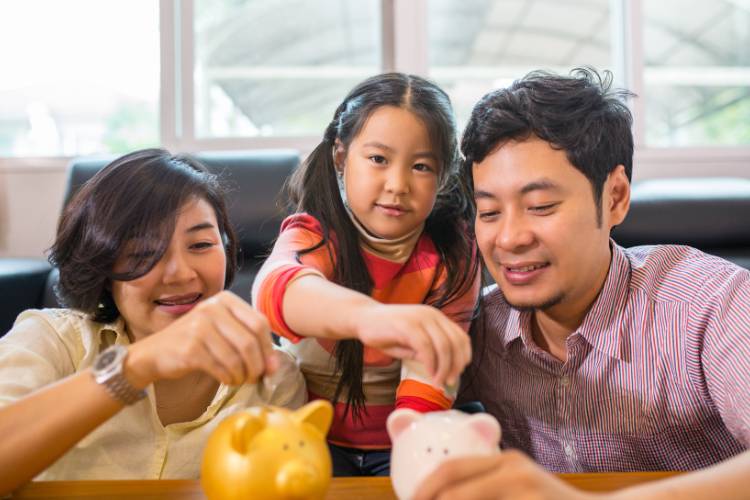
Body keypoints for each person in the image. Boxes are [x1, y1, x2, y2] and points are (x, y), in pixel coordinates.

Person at [414, 68, 750, 500]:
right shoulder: (479, 328)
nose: (510, 238)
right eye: (490, 212)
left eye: (540, 206)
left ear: (614, 198)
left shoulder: (711, 304)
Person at [0, 149, 306, 493]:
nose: (180, 273)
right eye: (144, 253)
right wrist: (135, 367)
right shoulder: (50, 341)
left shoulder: (272, 376)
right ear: (103, 264)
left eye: (202, 244)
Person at [252, 73, 480, 476]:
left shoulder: (453, 254)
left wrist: (411, 450)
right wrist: (372, 317)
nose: (397, 185)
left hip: (407, 435)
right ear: (341, 157)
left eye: (422, 166)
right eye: (378, 159)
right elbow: (273, 293)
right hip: (308, 435)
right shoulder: (313, 234)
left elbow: (429, 378)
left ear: (443, 176)